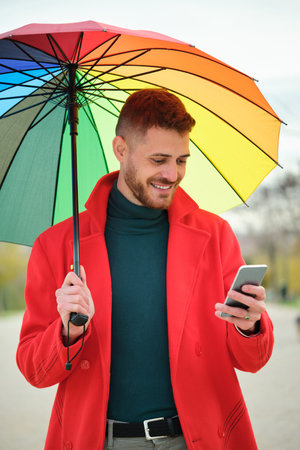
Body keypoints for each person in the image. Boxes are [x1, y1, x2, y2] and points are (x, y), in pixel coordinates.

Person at [17, 89, 274, 450]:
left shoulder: (214, 234)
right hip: (102, 441)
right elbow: (33, 370)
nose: (173, 174)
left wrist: (250, 326)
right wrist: (66, 330)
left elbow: (252, 361)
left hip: (198, 437)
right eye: (159, 159)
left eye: (182, 160)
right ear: (121, 150)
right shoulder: (57, 245)